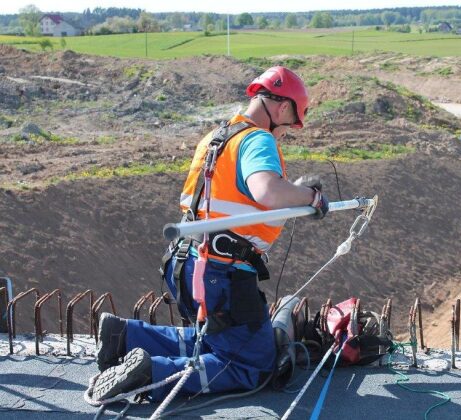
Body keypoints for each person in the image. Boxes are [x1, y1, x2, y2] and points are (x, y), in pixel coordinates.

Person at [92, 66, 329, 401]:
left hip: (186, 262)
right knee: (252, 363)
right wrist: (312, 198)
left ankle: (125, 336)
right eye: (288, 127)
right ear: (281, 108)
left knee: (220, 338)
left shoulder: (219, 136)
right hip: (222, 272)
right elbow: (266, 191)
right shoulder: (258, 138)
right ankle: (151, 373)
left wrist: (294, 191)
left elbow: (234, 195)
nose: (284, 134)